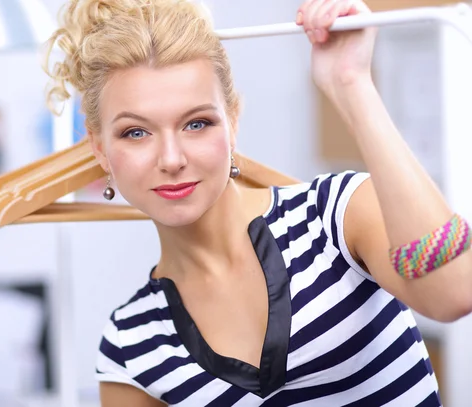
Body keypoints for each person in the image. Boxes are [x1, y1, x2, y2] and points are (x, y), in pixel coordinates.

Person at [45, 0, 472, 405]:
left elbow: (454, 292)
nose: (172, 159)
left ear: (232, 122)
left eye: (197, 123)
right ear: (100, 148)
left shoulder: (335, 217)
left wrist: (351, 83)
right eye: (136, 132)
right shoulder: (131, 345)